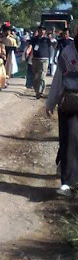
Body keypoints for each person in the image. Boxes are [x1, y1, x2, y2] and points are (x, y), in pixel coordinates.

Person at [47, 30, 78, 196]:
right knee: (68, 141)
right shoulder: (67, 53)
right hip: (69, 103)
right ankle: (67, 182)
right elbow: (58, 79)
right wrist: (51, 102)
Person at [25, 26, 51, 99]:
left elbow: (51, 48)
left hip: (44, 60)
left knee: (42, 76)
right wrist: (27, 52)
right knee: (36, 77)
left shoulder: (47, 40)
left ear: (45, 32)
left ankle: (41, 92)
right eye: (40, 30)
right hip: (35, 59)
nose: (41, 32)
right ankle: (37, 91)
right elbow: (30, 47)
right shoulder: (33, 39)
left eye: (43, 30)